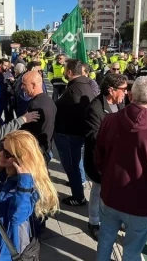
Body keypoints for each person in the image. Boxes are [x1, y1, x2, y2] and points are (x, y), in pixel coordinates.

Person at [95, 76, 147, 261]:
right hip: (140, 202)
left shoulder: (110, 120)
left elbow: (98, 156)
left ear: (130, 95)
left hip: (110, 194)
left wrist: (106, 177)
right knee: (132, 251)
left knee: (105, 241)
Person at [0, 131, 59, 260]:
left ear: (22, 159)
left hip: (9, 248)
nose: (2, 154)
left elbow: (17, 217)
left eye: (8, 154)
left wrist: (24, 183)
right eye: (2, 148)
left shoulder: (31, 185)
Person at [83, 73, 127, 240]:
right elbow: (93, 137)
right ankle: (94, 221)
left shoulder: (121, 104)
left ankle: (115, 217)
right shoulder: (95, 108)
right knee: (98, 190)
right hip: (100, 161)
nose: (126, 92)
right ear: (111, 90)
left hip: (117, 160)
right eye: (123, 89)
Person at [55, 59, 96, 207]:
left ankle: (78, 197)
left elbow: (77, 114)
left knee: (71, 166)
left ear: (70, 72)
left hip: (69, 135)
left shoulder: (74, 89)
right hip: (74, 135)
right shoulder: (86, 85)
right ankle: (78, 183)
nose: (64, 72)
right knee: (76, 163)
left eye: (65, 69)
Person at [20, 70, 56, 163]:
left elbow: (29, 132)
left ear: (33, 85)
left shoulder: (36, 105)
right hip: (45, 149)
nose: (22, 87)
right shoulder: (48, 100)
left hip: (36, 152)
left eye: (24, 84)